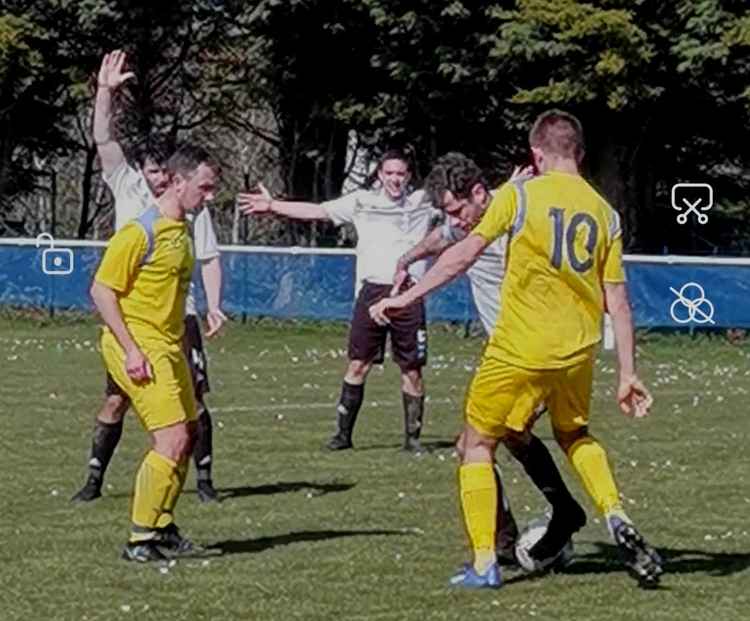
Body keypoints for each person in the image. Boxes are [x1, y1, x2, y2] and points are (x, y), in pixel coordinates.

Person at [370, 110, 663, 589]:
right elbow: (619, 300)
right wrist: (628, 372)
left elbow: (463, 253)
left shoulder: (519, 195)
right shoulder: (605, 213)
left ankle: (485, 563)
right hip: (578, 352)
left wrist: (405, 297)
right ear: (581, 154)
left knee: (476, 445)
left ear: (536, 153)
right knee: (574, 435)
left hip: (519, 347)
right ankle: (614, 512)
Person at [394, 152, 586, 565]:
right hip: (509, 352)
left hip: (532, 350)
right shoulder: (473, 217)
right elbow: (443, 236)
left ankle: (501, 544)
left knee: (472, 446)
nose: (457, 220)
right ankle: (557, 515)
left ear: (480, 194)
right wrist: (407, 259)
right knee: (510, 437)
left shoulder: (514, 209)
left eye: (458, 209)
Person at [72, 50, 226, 504]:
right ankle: (96, 482)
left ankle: (203, 485)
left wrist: (214, 304)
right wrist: (105, 93)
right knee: (117, 400)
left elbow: (210, 258)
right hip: (134, 320)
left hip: (181, 317)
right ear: (144, 171)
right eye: (153, 169)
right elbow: (103, 138)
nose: (159, 177)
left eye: (164, 169)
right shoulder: (128, 191)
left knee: (193, 406)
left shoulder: (192, 207)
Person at [237, 150, 433, 451]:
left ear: (408, 177)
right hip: (372, 292)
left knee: (412, 369)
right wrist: (273, 205)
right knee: (358, 364)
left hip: (409, 293)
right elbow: (317, 211)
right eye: (389, 173)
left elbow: (469, 204)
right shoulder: (361, 202)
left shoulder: (422, 202)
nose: (395, 179)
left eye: (400, 174)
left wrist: (509, 192)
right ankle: (343, 436)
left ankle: (413, 440)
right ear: (380, 175)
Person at [91, 142, 221, 562]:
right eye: (204, 187)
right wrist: (131, 349)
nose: (210, 196)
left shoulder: (183, 230)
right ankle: (139, 539)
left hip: (169, 346)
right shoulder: (139, 231)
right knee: (171, 438)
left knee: (190, 432)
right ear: (178, 181)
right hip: (136, 345)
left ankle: (162, 527)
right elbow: (101, 290)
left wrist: (192, 335)